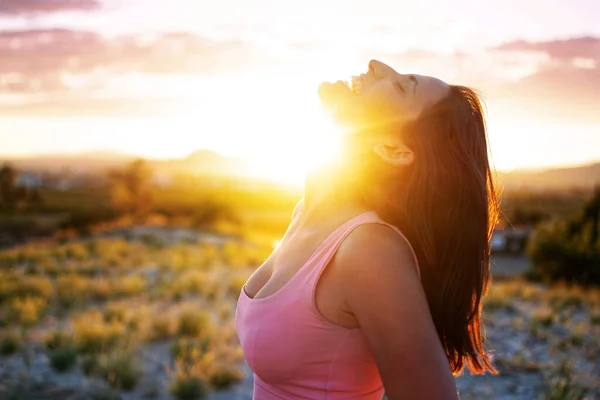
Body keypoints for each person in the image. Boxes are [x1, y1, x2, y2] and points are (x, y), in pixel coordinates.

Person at [235, 59, 499, 400]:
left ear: (393, 149)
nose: (378, 65)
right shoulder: (308, 213)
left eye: (403, 85)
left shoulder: (370, 250)